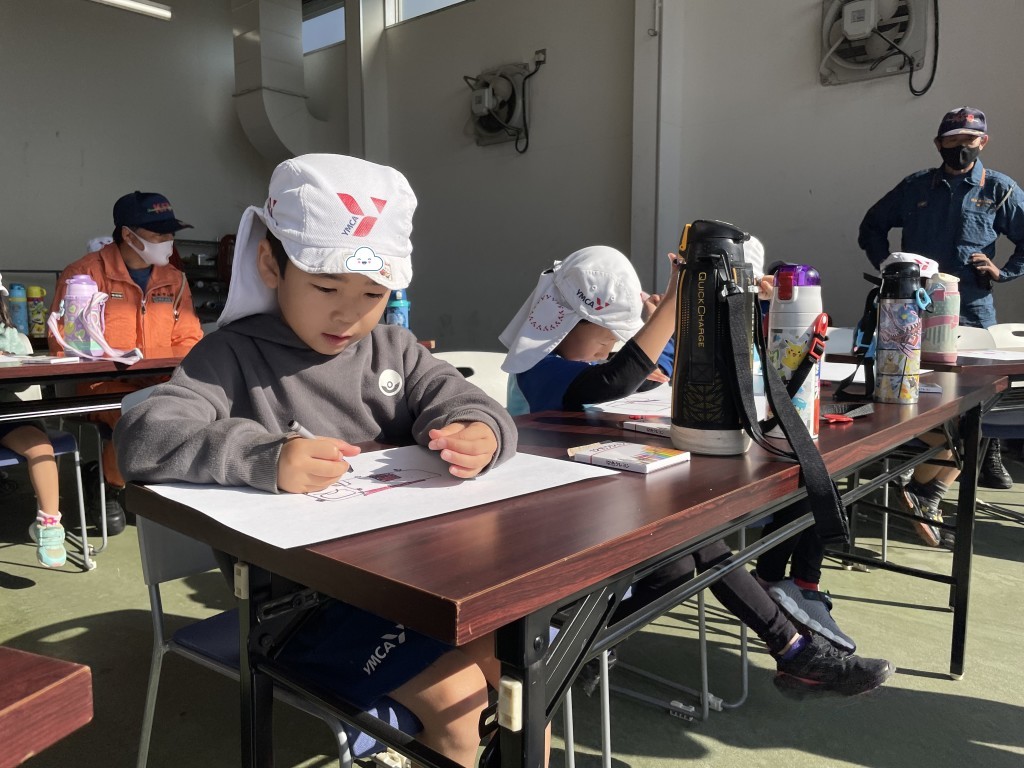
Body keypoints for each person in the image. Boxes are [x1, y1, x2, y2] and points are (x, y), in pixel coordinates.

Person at [115, 154, 518, 767]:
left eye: (374, 293)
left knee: (521, 664)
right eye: (327, 288)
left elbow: (464, 399)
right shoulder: (229, 357)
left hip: (418, 582)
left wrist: (477, 430)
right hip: (297, 612)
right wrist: (263, 456)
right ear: (270, 265)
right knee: (462, 701)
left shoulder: (394, 348)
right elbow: (142, 436)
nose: (349, 313)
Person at [499, 245, 893, 697]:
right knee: (695, 541)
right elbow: (614, 380)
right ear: (569, 323)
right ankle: (793, 651)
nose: (609, 350)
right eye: (606, 340)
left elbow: (630, 375)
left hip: (596, 497)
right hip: (554, 524)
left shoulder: (568, 362)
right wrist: (675, 301)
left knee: (679, 564)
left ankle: (582, 649)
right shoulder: (536, 368)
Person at [859, 105, 1024, 490]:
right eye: (952, 141)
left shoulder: (999, 189)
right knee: (911, 382)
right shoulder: (916, 187)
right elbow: (872, 226)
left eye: (969, 140)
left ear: (983, 142)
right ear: (938, 144)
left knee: (980, 389)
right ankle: (917, 453)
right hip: (913, 306)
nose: (961, 147)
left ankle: (987, 451)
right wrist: (889, 267)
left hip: (972, 307)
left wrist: (1003, 272)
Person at [50, 191, 203, 535]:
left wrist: (167, 373)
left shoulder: (174, 279)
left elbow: (189, 338)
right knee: (139, 415)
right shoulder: (84, 275)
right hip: (103, 385)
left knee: (193, 408)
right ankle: (110, 483)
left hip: (159, 381)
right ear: (128, 235)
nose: (168, 240)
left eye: (171, 232)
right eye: (158, 233)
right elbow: (64, 343)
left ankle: (141, 484)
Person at [0, 273, 66, 567]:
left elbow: (25, 378)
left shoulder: (12, 336)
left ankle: (49, 525)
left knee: (41, 447)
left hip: (7, 413)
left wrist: (10, 358)